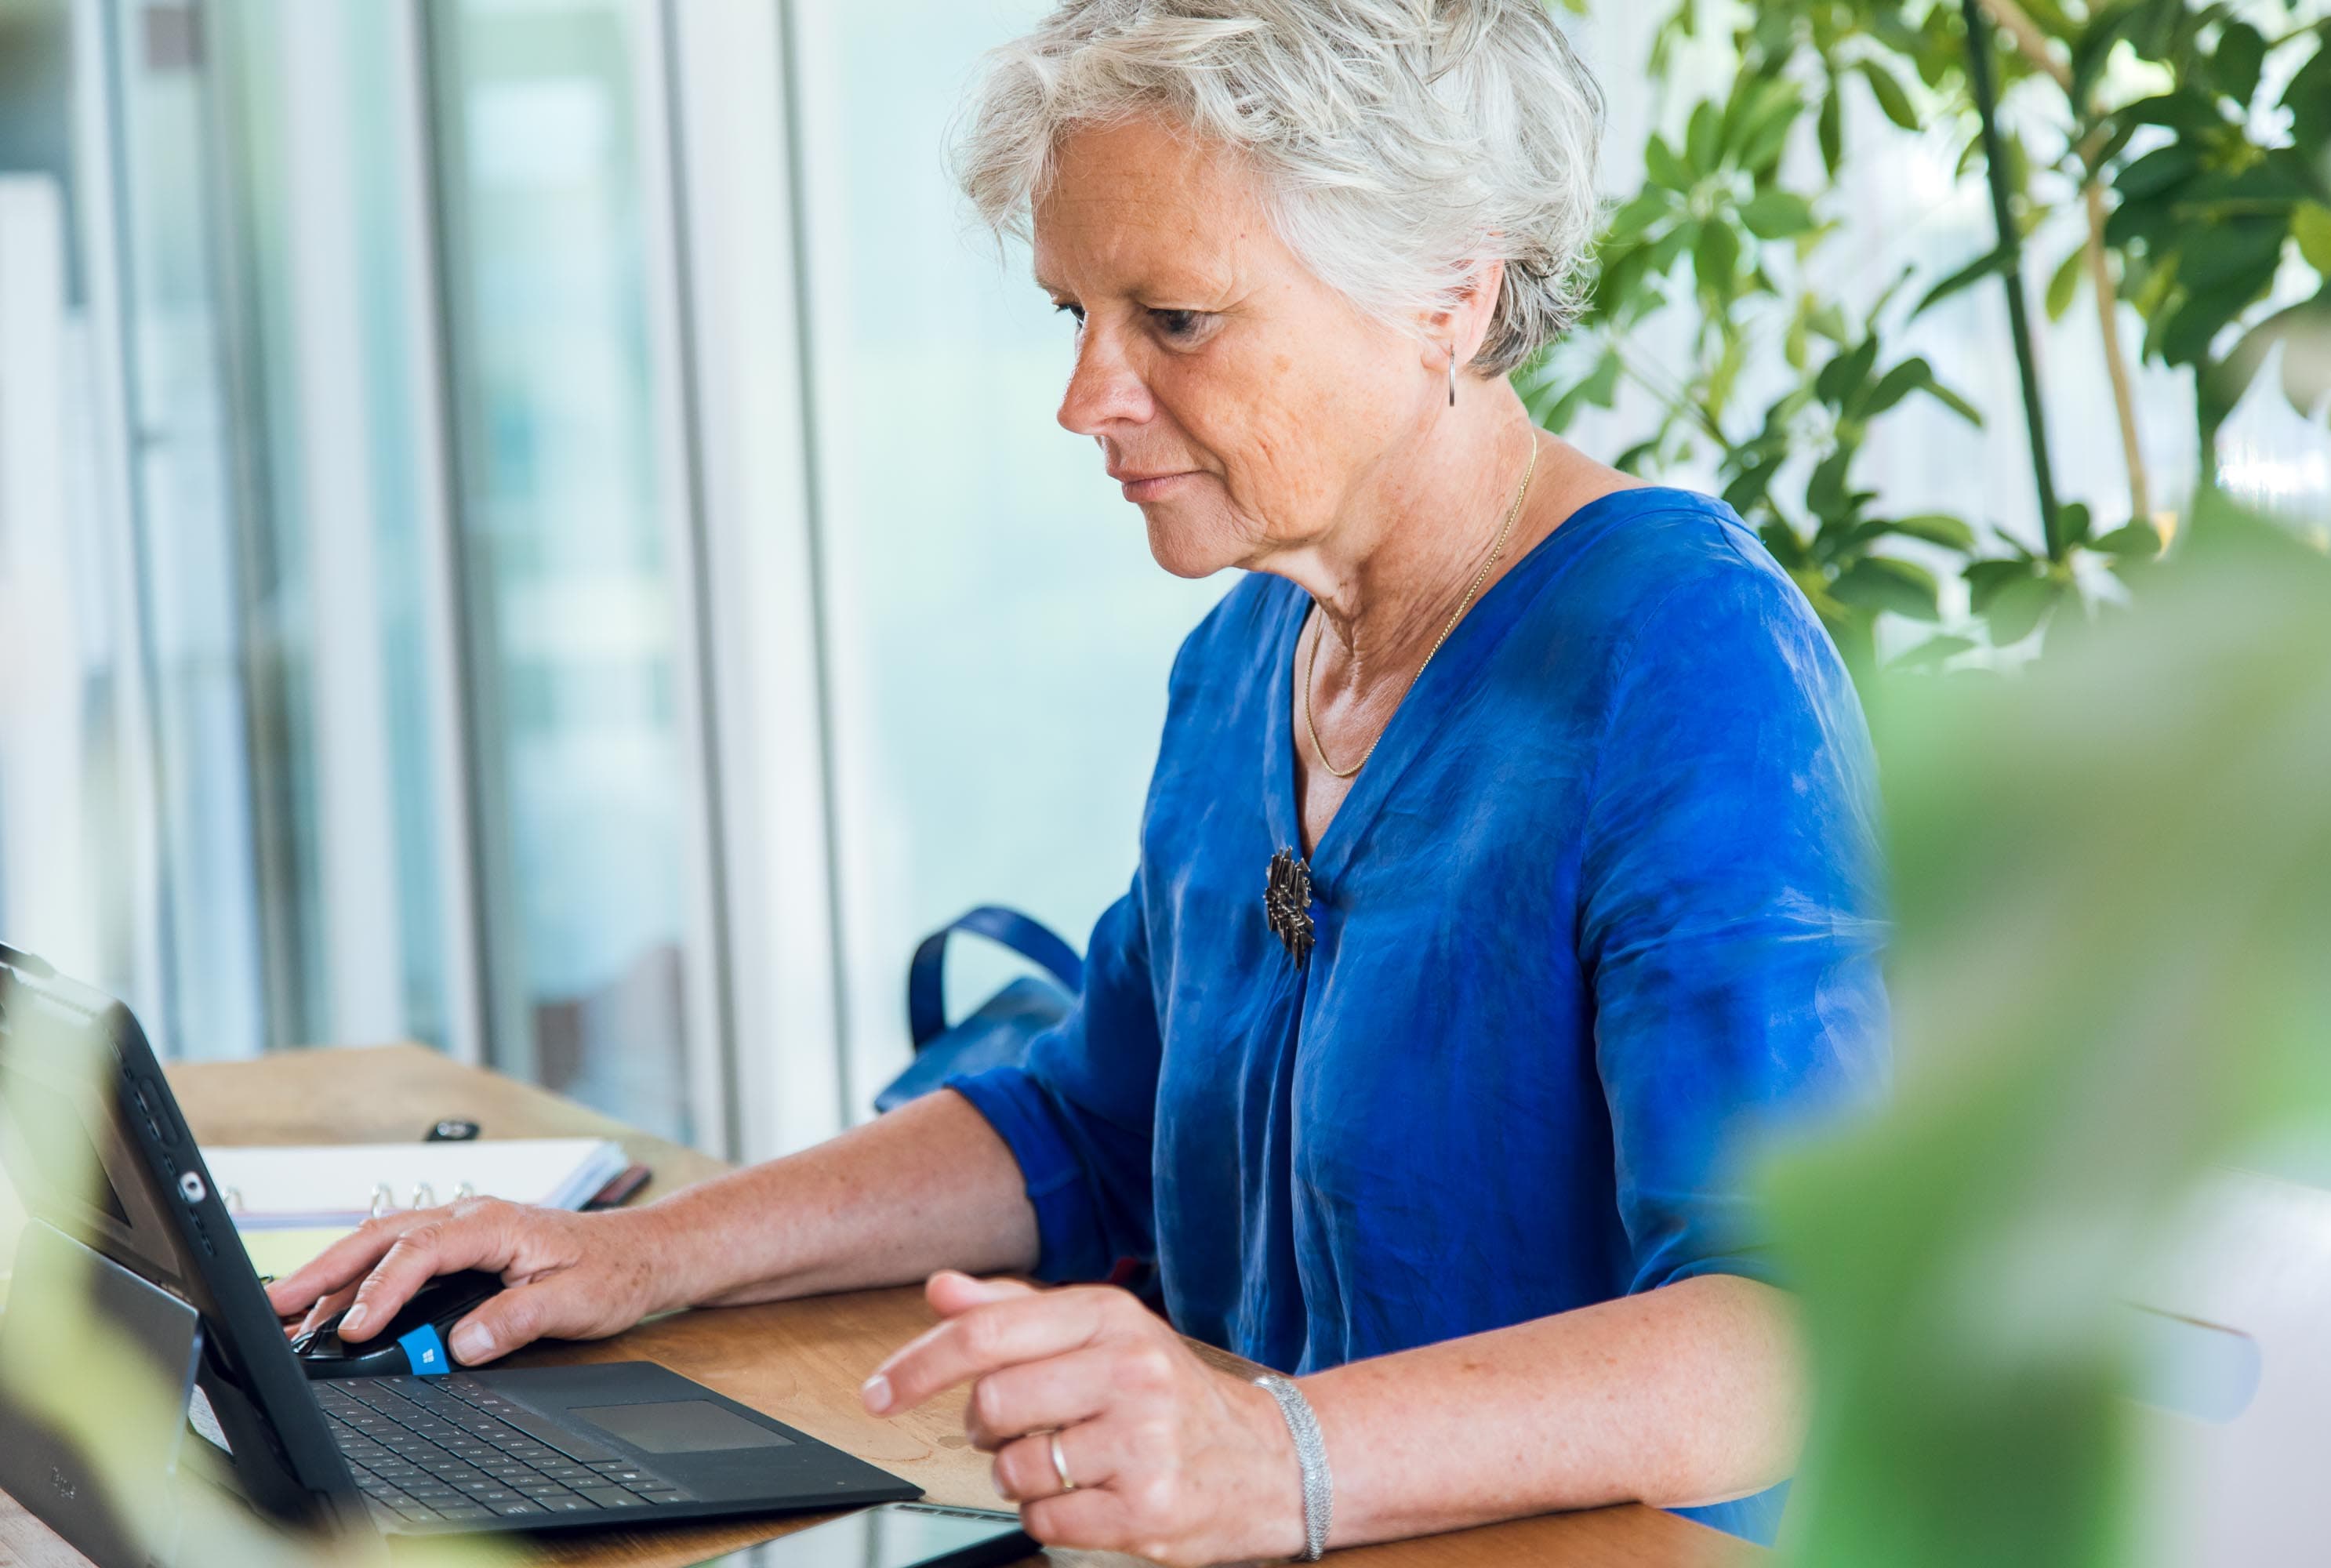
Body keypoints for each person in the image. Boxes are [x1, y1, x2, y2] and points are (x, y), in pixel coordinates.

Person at [269, 2, 1887, 1562]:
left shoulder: (1683, 657)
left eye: (1173, 320)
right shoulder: (1256, 648)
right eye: (1073, 316)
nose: (1082, 402)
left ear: (1447, 298)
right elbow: (1088, 1120)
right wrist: (634, 1253)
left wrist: (1275, 1457)